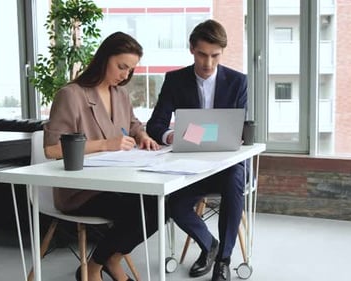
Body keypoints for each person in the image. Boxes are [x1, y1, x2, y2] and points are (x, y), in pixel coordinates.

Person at [43, 31, 161, 281]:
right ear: (104, 58)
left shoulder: (120, 94)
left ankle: (104, 261)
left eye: (130, 70)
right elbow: (52, 149)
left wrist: (143, 136)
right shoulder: (71, 95)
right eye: (121, 67)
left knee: (161, 205)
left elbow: (132, 123)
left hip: (117, 180)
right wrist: (106, 144)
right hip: (80, 189)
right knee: (137, 211)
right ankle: (100, 265)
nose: (125, 75)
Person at [146, 19, 247, 281]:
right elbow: (155, 124)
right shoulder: (175, 80)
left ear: (222, 52)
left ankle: (223, 260)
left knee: (236, 179)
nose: (208, 63)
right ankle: (209, 244)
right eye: (202, 54)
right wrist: (172, 136)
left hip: (227, 164)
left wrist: (197, 134)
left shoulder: (238, 82)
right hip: (189, 165)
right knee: (176, 205)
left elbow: (240, 130)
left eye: (215, 56)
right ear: (192, 49)